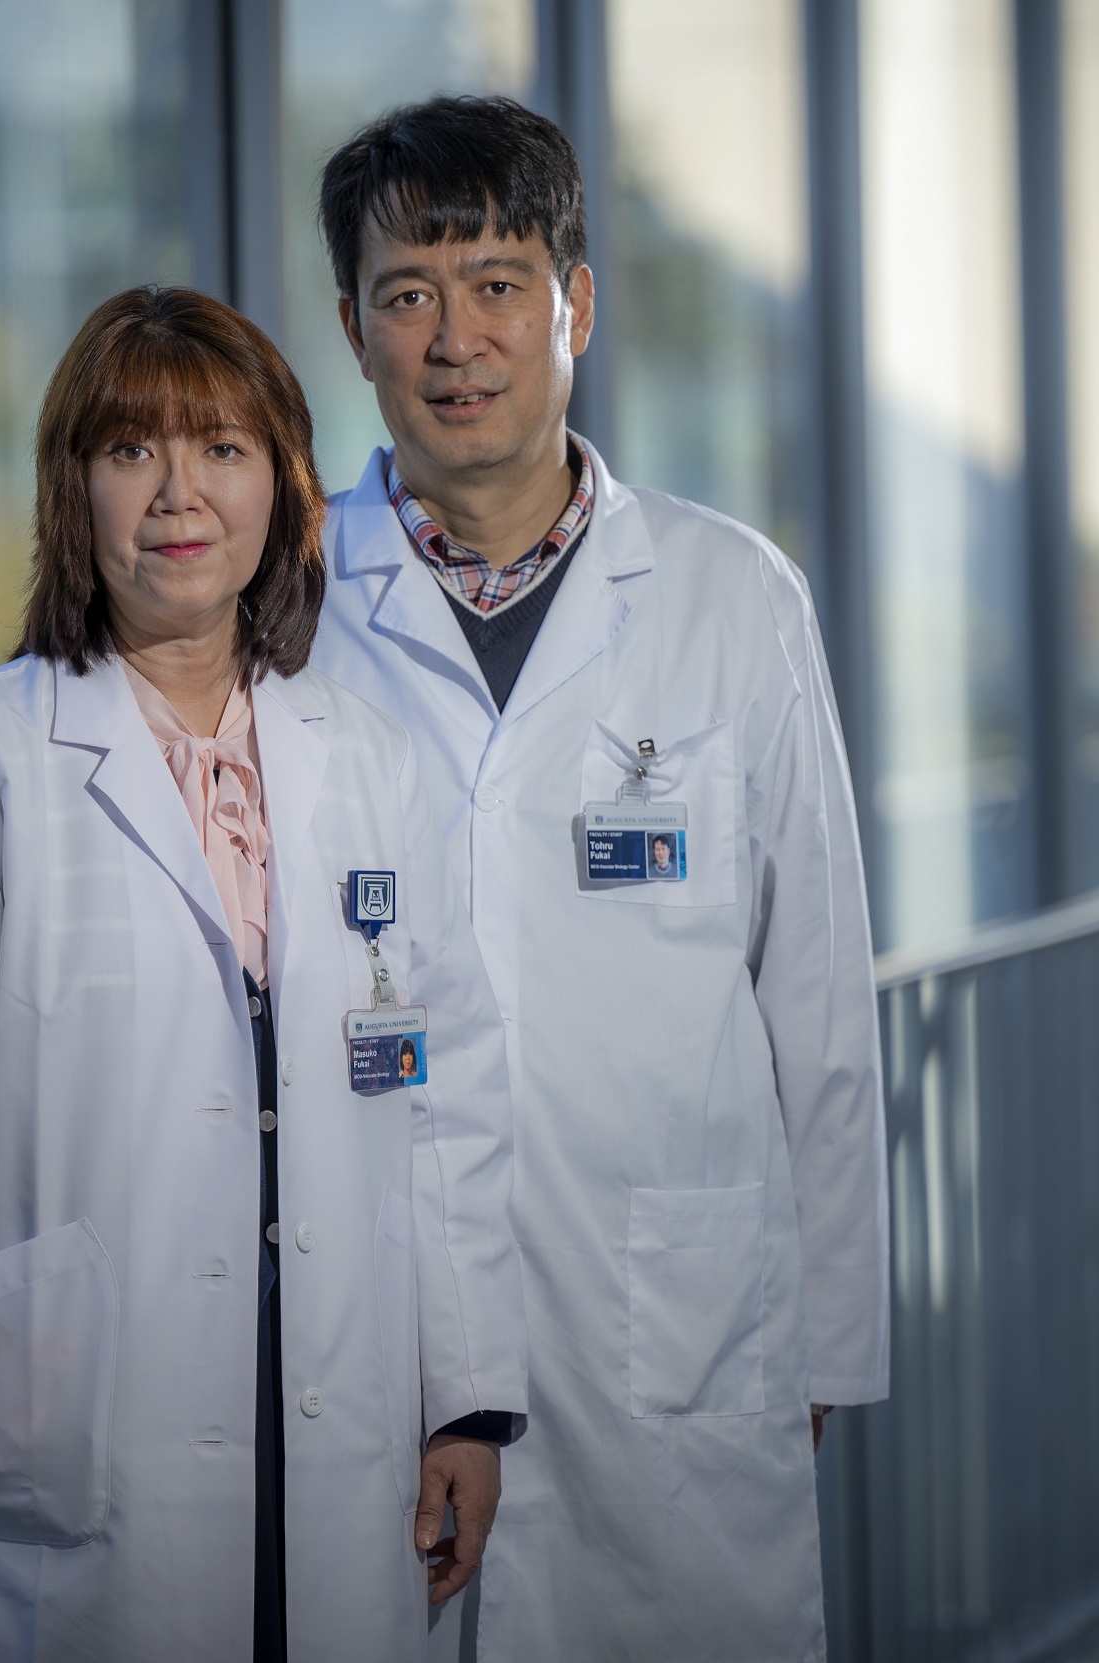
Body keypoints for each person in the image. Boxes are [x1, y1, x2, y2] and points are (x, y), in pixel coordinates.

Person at [0, 286, 526, 1663]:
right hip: (91, 1410)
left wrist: (465, 1399)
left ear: (280, 484)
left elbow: (442, 1104)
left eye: (220, 449)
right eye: (130, 451)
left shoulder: (367, 760)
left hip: (335, 1388)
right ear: (73, 490)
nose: (177, 494)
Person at [306, 96, 888, 1661]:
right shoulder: (291, 609)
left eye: (498, 283)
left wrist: (824, 1344)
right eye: (407, 293)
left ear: (578, 300)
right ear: (354, 333)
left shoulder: (731, 596)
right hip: (393, 1340)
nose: (456, 338)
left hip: (681, 1328)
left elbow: (818, 991)